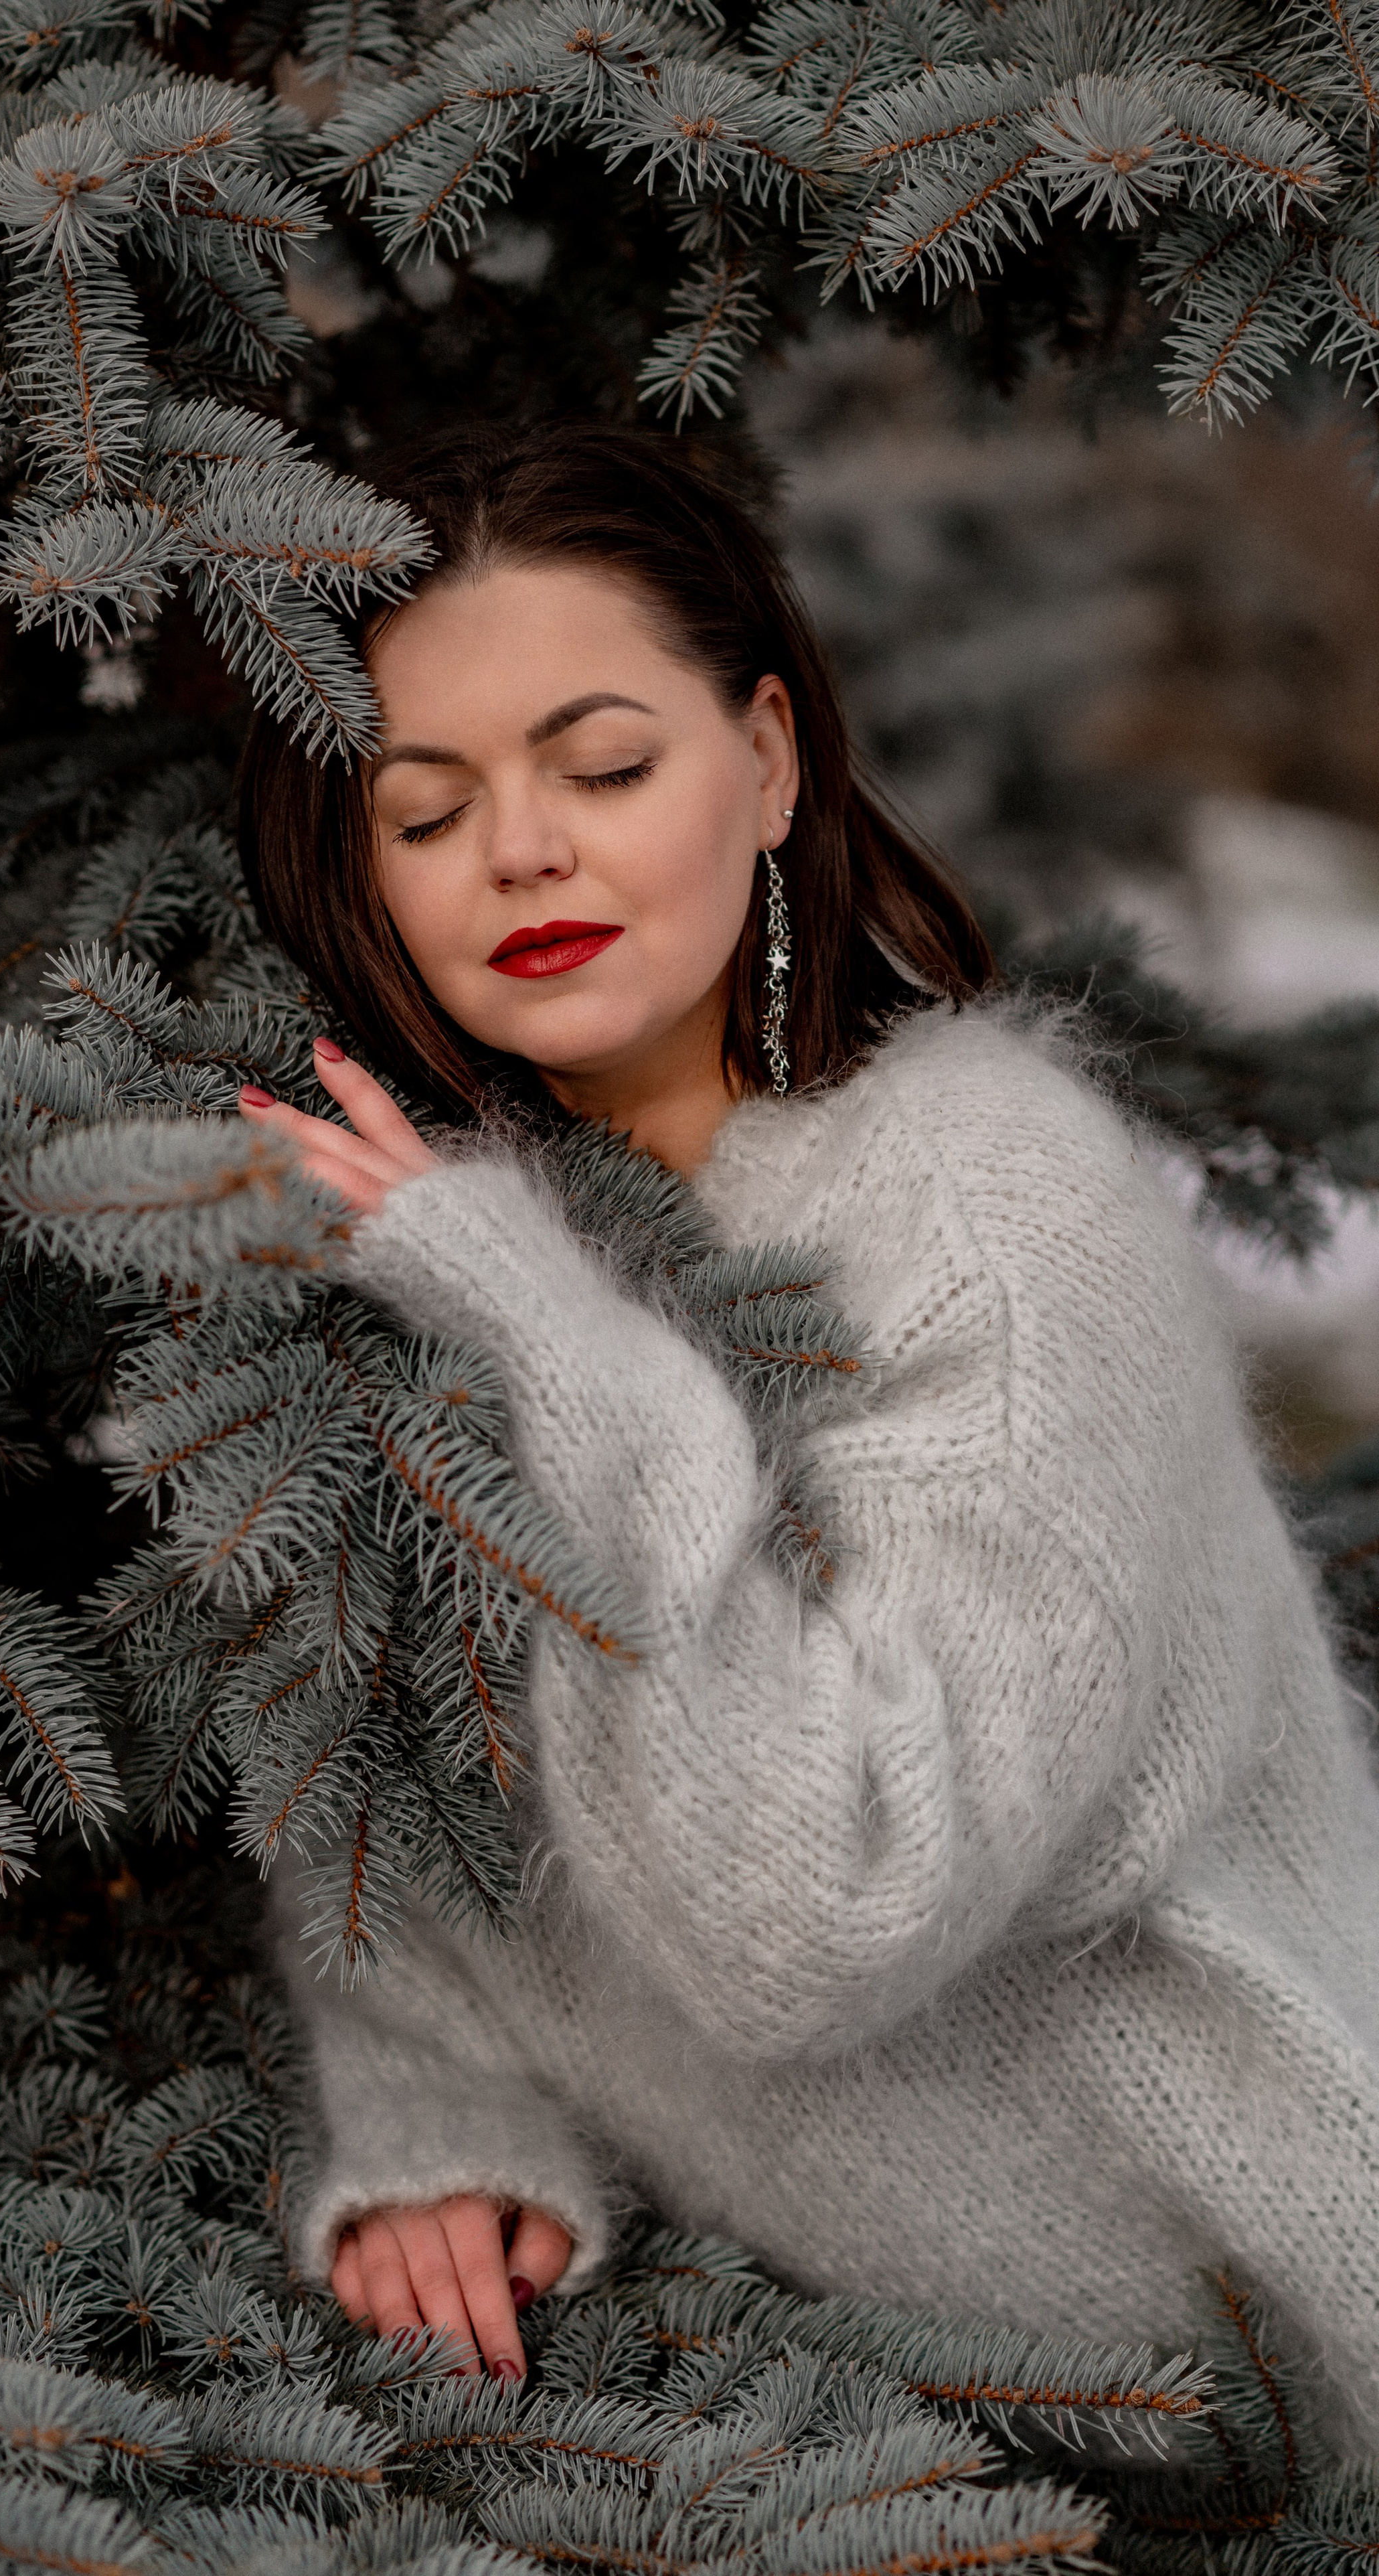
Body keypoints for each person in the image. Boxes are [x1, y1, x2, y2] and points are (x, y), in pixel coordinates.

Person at [233, 423, 1379, 2439]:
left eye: (605, 767)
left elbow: (808, 1909)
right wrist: (445, 2099)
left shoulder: (988, 1207)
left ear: (765, 759)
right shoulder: (422, 1239)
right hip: (864, 2411)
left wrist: (545, 1338)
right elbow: (404, 1821)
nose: (525, 853)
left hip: (1286, 2393)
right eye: (427, 810)